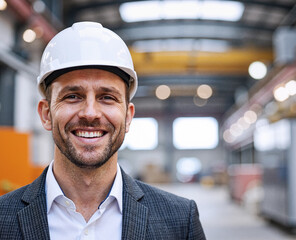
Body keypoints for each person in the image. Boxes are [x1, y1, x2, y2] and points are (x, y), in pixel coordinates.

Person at [0, 21, 206, 240]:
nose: (90, 113)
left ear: (128, 117)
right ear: (46, 114)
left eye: (107, 97)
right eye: (72, 96)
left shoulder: (180, 221)